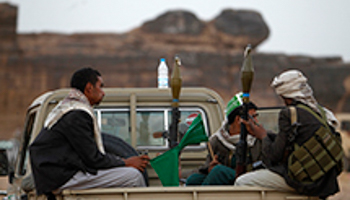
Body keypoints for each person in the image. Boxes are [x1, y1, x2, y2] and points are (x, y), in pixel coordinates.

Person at [29, 68, 150, 197]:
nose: (103, 93)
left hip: (57, 174)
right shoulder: (77, 115)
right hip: (62, 176)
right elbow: (93, 159)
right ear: (89, 88)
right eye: (100, 87)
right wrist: (126, 162)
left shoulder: (66, 108)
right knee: (133, 176)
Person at [234, 69, 342, 199]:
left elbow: (272, 157)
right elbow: (288, 142)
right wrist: (265, 134)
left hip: (306, 181)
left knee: (242, 182)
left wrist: (262, 136)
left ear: (285, 95)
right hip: (324, 182)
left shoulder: (289, 114)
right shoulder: (320, 113)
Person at [186, 92, 262, 185]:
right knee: (193, 180)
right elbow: (207, 165)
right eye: (253, 117)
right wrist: (209, 168)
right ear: (238, 120)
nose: (256, 121)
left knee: (219, 172)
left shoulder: (258, 139)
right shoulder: (218, 141)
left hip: (250, 179)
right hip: (227, 181)